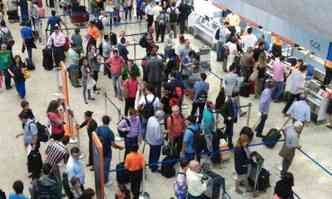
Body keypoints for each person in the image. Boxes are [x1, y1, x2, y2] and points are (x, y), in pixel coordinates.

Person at [96, 115, 124, 185]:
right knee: (106, 167)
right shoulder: (110, 132)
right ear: (109, 122)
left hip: (99, 151)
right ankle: (105, 181)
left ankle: (99, 177)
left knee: (100, 165)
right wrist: (119, 147)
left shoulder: (98, 129)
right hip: (107, 152)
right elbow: (113, 144)